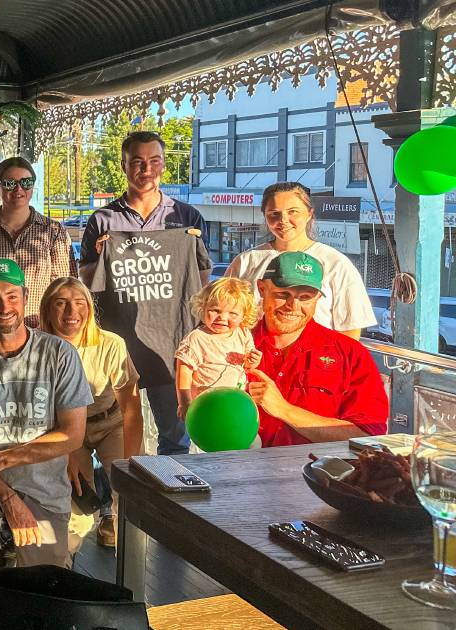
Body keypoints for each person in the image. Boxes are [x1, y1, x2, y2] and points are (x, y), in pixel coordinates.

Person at [0, 259, 93, 622]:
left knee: (47, 584)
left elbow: (73, 434)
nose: (4, 306)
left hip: (41, 480)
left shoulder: (60, 355)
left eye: (11, 295)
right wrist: (7, 497)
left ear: (25, 297)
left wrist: (5, 458)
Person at [79, 130, 211, 456]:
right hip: (120, 344)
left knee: (175, 436)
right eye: (137, 162)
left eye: (153, 161)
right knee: (121, 435)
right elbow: (86, 279)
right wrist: (102, 257)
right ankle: (119, 504)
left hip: (169, 344)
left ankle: (169, 502)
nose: (146, 169)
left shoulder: (186, 218)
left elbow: (202, 279)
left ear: (164, 165)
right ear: (123, 166)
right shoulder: (103, 219)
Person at [38, 277, 142, 551]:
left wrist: (132, 463)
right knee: (75, 501)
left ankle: (124, 552)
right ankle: (62, 564)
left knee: (127, 489)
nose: (71, 313)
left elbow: (131, 406)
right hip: (65, 431)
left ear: (89, 308)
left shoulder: (110, 343)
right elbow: (42, 413)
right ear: (47, 310)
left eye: (79, 303)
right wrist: (66, 454)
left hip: (110, 421)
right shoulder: (38, 348)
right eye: (61, 304)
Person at [246, 252, 389, 446]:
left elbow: (369, 437)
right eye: (282, 294)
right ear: (261, 289)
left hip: (317, 474)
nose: (293, 306)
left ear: (318, 298)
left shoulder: (350, 353)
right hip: (238, 469)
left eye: (305, 297)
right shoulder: (232, 344)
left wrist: (285, 410)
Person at [226, 182, 376, 338]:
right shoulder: (244, 262)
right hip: (254, 359)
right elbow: (223, 313)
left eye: (293, 212)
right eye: (274, 213)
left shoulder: (336, 264)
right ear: (265, 216)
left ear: (309, 214)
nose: (283, 220)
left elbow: (349, 330)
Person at [0, 156, 76, 335]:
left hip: (40, 328)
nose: (18, 189)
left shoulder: (53, 231)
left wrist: (48, 319)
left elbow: (63, 283)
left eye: (26, 182)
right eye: (9, 183)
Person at [174, 278, 262, 418]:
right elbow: (183, 371)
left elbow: (248, 365)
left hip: (236, 402)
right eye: (215, 310)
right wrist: (184, 402)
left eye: (232, 313)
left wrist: (253, 360)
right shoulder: (196, 338)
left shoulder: (242, 333)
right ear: (203, 308)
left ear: (243, 316)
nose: (222, 317)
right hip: (206, 405)